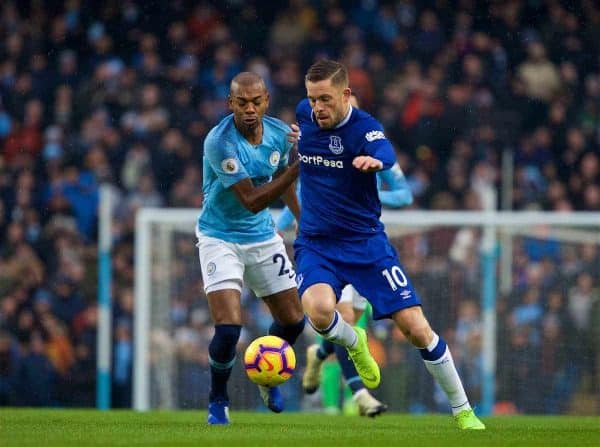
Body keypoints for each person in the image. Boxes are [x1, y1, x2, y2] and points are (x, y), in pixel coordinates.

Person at [293, 59, 485, 429]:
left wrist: (374, 162)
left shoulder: (366, 128)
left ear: (346, 95)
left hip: (366, 245)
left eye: (326, 99)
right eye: (313, 99)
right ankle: (354, 341)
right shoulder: (304, 116)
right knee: (317, 311)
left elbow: (386, 153)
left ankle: (463, 410)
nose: (317, 107)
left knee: (415, 327)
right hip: (316, 244)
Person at [276, 93, 413, 417]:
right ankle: (359, 395)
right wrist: (281, 228)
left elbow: (404, 194)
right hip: (326, 247)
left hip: (364, 244)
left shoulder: (372, 146)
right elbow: (299, 197)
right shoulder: (323, 152)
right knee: (346, 319)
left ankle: (318, 356)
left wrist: (362, 189)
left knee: (352, 322)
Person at [197, 72, 305, 425]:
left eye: (256, 102)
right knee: (229, 328)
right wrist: (295, 170)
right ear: (230, 104)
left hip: (261, 237)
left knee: (293, 321)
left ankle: (267, 372)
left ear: (266, 101)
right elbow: (252, 200)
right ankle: (218, 399)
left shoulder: (278, 133)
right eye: (241, 103)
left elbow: (281, 181)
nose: (249, 109)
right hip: (220, 237)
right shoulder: (220, 142)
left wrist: (304, 219)